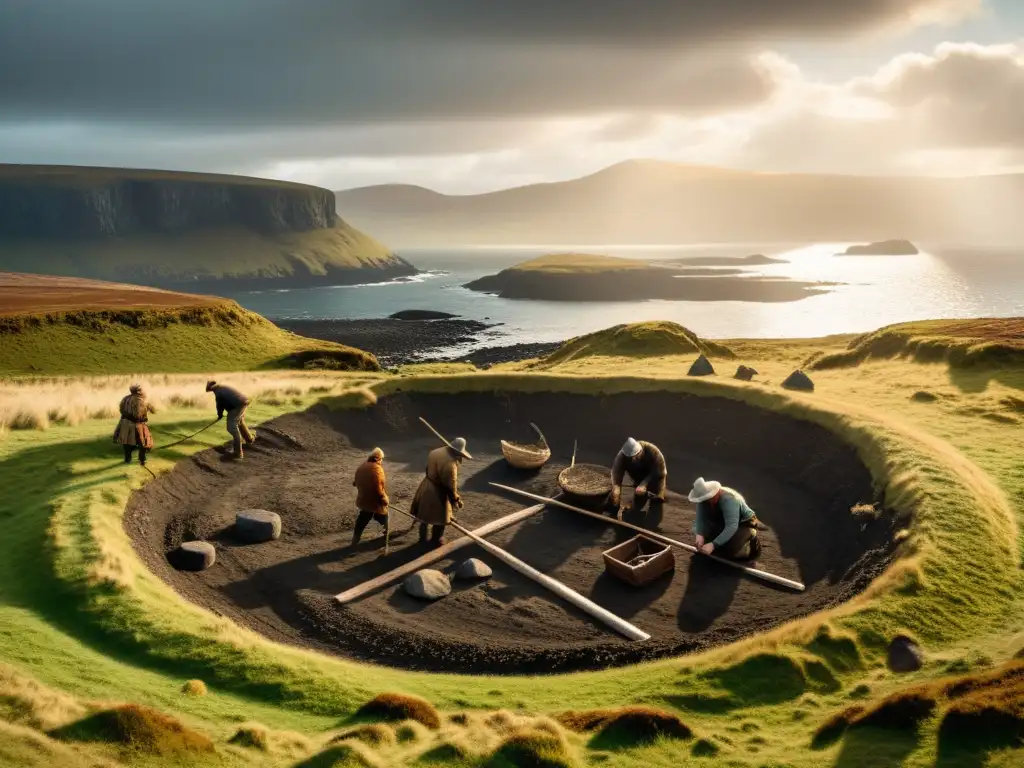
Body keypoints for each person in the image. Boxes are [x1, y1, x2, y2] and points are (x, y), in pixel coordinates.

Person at [409, 436, 471, 548]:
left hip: (427, 484)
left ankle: (422, 538)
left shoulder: (435, 452)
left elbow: (427, 468)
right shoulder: (450, 463)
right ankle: (436, 539)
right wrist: (456, 499)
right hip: (438, 491)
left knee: (424, 513)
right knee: (441, 518)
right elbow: (450, 485)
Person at [688, 477, 762, 561]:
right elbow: (700, 519)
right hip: (721, 520)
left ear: (714, 493)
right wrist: (700, 536)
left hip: (743, 522)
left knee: (732, 550)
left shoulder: (729, 499)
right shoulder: (703, 501)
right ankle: (720, 542)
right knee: (700, 533)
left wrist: (713, 544)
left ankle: (751, 541)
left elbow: (731, 526)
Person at [608, 437, 667, 514]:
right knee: (638, 492)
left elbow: (659, 471)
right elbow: (616, 471)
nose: (634, 459)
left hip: (655, 475)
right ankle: (638, 507)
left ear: (641, 451)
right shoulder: (622, 455)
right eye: (631, 457)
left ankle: (657, 497)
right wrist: (616, 487)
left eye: (636, 456)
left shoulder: (653, 451)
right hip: (638, 474)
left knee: (657, 497)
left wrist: (645, 483)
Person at [206, 380, 255, 460]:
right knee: (240, 422)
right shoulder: (221, 387)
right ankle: (249, 439)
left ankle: (238, 453)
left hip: (238, 405)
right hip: (243, 402)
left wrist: (220, 415)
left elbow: (220, 405)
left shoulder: (218, 391)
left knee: (231, 428)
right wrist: (220, 414)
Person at [352, 447, 389, 545]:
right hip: (375, 500)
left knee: (363, 518)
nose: (381, 462)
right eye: (381, 459)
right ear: (378, 458)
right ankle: (387, 535)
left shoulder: (362, 467)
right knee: (383, 516)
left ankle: (355, 539)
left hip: (363, 498)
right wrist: (383, 499)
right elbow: (378, 487)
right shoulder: (377, 469)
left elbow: (355, 482)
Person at [113, 383, 154, 466]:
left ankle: (127, 459)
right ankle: (142, 459)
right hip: (137, 424)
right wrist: (144, 418)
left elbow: (121, 409)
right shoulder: (140, 400)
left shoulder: (125, 398)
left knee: (126, 443)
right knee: (143, 442)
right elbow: (137, 415)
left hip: (125, 422)